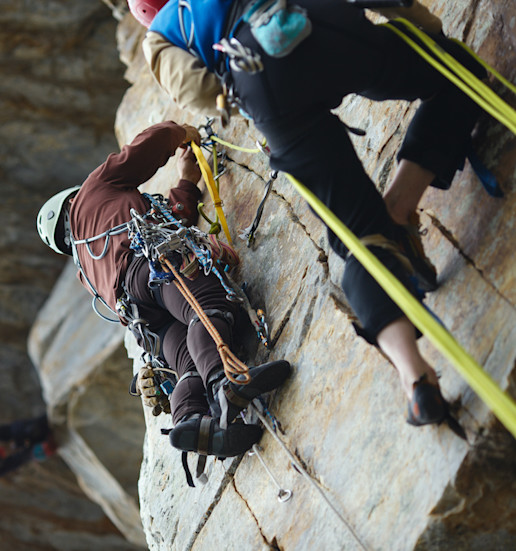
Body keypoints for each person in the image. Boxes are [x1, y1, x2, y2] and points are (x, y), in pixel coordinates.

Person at [129, 0, 486, 428]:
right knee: (458, 74)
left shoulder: (162, 36)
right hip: (318, 28)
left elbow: (197, 91)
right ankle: (400, 204)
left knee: (358, 239)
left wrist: (237, 93)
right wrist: (424, 30)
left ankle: (416, 377)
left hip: (262, 87)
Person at [37, 120, 291, 463]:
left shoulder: (86, 269)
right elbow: (146, 148)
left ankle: (191, 420)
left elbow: (171, 218)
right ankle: (223, 382)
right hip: (155, 264)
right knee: (206, 306)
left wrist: (187, 182)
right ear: (71, 201)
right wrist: (181, 132)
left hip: (142, 314)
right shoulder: (92, 191)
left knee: (183, 356)